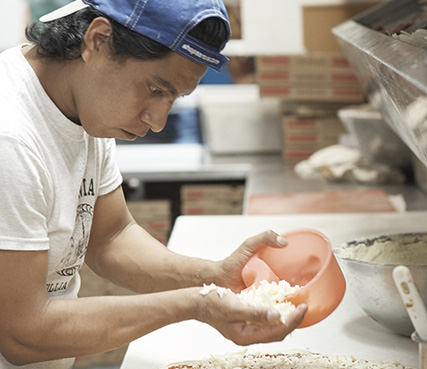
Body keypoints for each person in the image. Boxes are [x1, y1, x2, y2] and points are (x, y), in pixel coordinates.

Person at [0, 1, 308, 368]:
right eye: (155, 88)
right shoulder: (11, 138)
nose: (157, 120)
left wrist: (215, 277)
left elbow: (111, 237)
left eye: (173, 97)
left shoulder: (82, 100)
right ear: (98, 41)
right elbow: (22, 333)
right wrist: (195, 304)